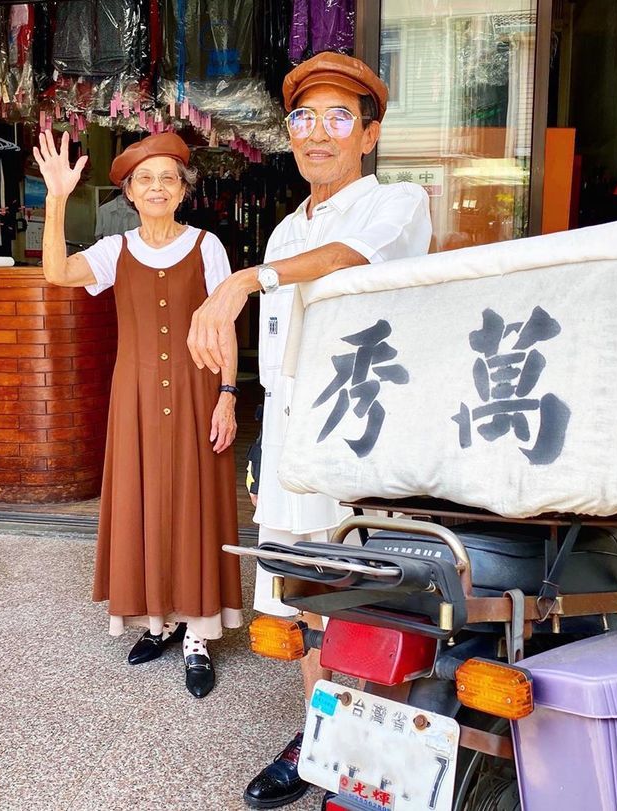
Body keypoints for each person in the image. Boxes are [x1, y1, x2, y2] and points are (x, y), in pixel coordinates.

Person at [187, 52, 433, 806]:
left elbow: (349, 261)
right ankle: (319, 734)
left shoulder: (396, 202)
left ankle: (377, 743)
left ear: (369, 133)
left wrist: (244, 278)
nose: (316, 134)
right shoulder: (289, 224)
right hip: (294, 436)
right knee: (304, 596)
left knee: (372, 593)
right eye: (302, 119)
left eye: (336, 118)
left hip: (367, 435)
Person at [34, 130, 243, 699]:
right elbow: (55, 272)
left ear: (182, 190)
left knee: (194, 502)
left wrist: (228, 393)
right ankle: (161, 620)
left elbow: (224, 324)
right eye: (144, 179)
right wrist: (56, 198)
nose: (156, 187)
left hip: (200, 392)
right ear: (128, 191)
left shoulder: (208, 246)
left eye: (167, 178)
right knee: (146, 501)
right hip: (136, 399)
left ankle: (198, 635)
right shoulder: (114, 251)